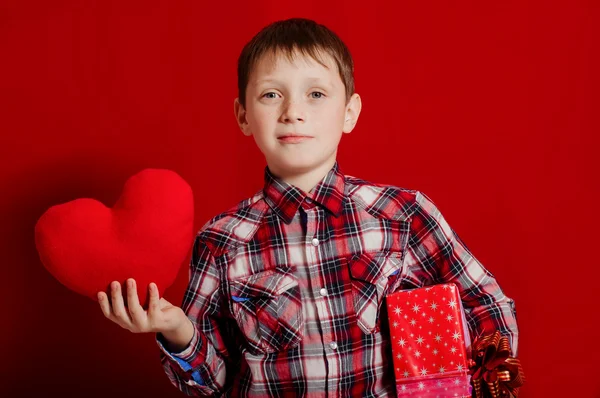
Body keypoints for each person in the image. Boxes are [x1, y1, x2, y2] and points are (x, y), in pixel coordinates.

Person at [97, 17, 519, 397]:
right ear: (243, 115)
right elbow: (213, 383)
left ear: (349, 112)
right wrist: (176, 330)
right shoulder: (222, 240)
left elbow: (488, 303)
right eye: (270, 95)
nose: (293, 112)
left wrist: (481, 381)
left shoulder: (403, 214)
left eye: (315, 93)